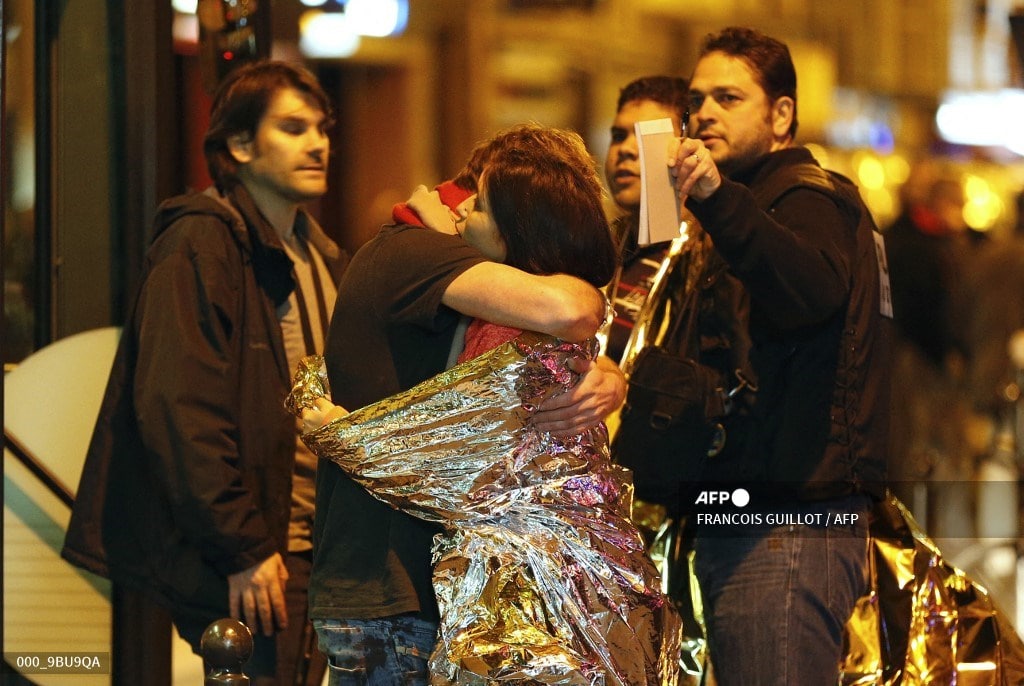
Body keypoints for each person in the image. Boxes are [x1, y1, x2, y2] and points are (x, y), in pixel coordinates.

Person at [307, 124, 631, 685]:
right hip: (391, 596)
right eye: (474, 199)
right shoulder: (412, 249)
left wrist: (607, 373)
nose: (460, 215)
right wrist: (342, 432)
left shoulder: (485, 298)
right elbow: (572, 306)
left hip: (429, 593)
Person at [61, 60, 344, 686]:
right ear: (239, 145)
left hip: (308, 546)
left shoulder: (318, 253)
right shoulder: (202, 242)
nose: (318, 142)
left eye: (322, 128)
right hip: (252, 551)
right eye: (294, 128)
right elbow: (178, 408)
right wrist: (243, 547)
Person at [665, 27, 893, 684]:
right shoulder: (761, 203)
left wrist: (715, 199)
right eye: (697, 98)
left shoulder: (806, 196)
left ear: (781, 113)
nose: (704, 112)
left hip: (788, 524)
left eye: (728, 97)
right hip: (757, 518)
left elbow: (807, 291)